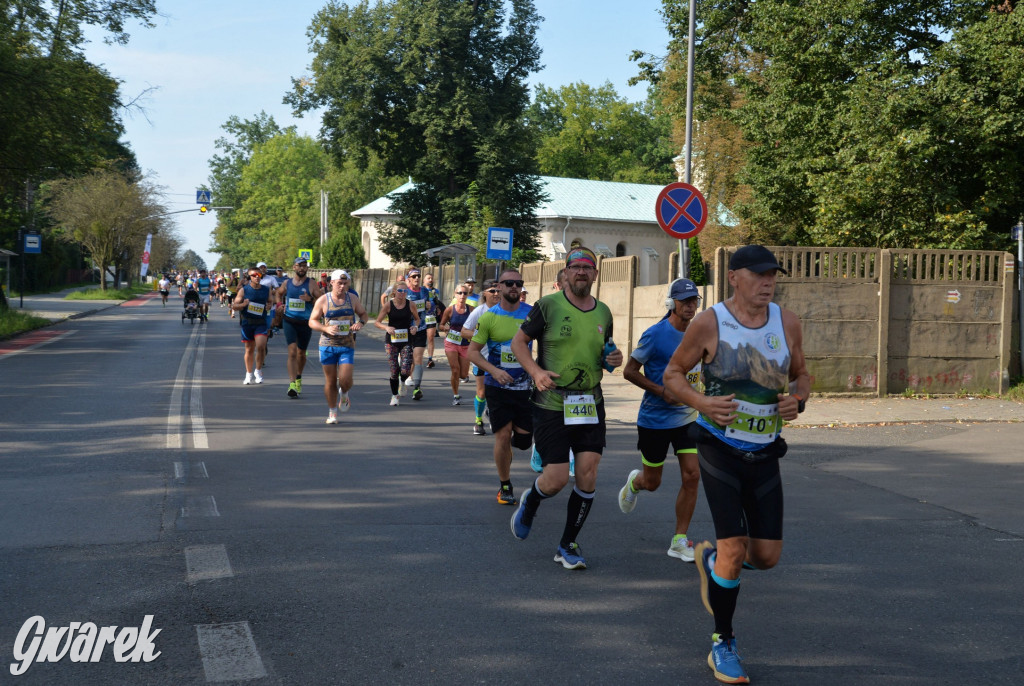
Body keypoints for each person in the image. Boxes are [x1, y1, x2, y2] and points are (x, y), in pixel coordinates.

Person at [662, 245, 809, 685]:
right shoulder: (710, 322)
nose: (769, 282)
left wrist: (797, 399)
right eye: (759, 275)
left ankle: (711, 565)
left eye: (773, 275)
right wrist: (702, 401)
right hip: (719, 446)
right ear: (734, 277)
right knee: (734, 548)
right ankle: (722, 643)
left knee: (766, 557)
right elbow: (672, 375)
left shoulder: (787, 322)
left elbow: (803, 374)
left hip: (765, 449)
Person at [509, 246, 623, 570]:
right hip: (551, 403)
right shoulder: (548, 306)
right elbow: (519, 343)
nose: (582, 272)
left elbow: (608, 354)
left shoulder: (604, 312)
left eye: (588, 268)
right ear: (567, 272)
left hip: (590, 402)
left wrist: (614, 360)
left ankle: (567, 544)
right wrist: (535, 371)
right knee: (556, 479)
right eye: (576, 267)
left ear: (595, 274)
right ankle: (532, 498)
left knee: (588, 474)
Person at [618, 278, 704, 563]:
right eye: (685, 301)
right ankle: (635, 483)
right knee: (653, 482)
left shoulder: (700, 335)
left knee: (692, 475)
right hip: (655, 419)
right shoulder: (655, 334)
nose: (691, 306)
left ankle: (680, 540)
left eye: (695, 301)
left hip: (687, 417)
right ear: (673, 303)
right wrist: (661, 391)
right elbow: (629, 371)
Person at [467, 270, 533, 506]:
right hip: (497, 385)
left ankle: (508, 448)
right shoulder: (489, 317)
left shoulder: (532, 314)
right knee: (502, 436)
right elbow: (472, 352)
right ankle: (505, 485)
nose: (514, 287)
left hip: (526, 386)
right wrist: (493, 371)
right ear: (500, 287)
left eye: (518, 283)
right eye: (509, 283)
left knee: (524, 441)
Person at [310, 269, 369, 423]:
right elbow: (312, 321)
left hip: (347, 345)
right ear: (332, 283)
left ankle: (344, 393)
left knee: (345, 379)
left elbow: (364, 314)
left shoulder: (353, 299)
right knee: (330, 381)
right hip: (327, 345)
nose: (342, 287)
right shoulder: (323, 300)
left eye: (345, 283)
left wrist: (360, 323)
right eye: (339, 283)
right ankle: (332, 413)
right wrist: (325, 328)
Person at [277, 257, 323, 398]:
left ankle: (298, 377)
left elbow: (322, 300)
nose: (302, 268)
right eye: (299, 265)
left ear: (307, 268)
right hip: (289, 321)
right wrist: (280, 305)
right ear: (294, 267)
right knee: (292, 352)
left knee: (301, 354)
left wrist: (310, 299)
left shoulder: (312, 284)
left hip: (305, 322)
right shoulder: (287, 283)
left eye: (304, 266)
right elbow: (278, 293)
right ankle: (291, 384)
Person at [460, 279, 500, 435]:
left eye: (498, 290)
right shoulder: (479, 311)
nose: (496, 294)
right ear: (484, 293)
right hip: (481, 357)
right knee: (482, 392)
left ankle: (494, 415)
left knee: (497, 391)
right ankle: (478, 420)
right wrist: (482, 337)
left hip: (499, 359)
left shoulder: (505, 310)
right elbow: (464, 331)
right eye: (492, 291)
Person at [374, 280, 420, 406]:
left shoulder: (411, 304)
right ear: (394, 292)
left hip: (406, 340)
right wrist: (386, 328)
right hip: (391, 341)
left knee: (405, 370)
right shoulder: (389, 305)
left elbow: (417, 319)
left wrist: (415, 327)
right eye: (400, 291)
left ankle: (402, 381)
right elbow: (377, 322)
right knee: (394, 370)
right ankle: (395, 396)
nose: (402, 293)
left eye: (405, 291)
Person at [232, 267, 273, 384]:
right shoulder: (244, 290)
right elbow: (235, 306)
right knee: (249, 349)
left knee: (261, 347)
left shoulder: (266, 289)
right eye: (254, 275)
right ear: (249, 277)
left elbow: (270, 300)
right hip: (248, 322)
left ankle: (258, 371)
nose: (257, 277)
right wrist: (243, 304)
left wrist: (269, 305)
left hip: (261, 322)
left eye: (258, 275)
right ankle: (248, 374)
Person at [438, 285, 473, 406]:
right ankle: (456, 395)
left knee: (463, 374)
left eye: (464, 293)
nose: (462, 295)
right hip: (451, 342)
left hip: (465, 344)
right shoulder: (450, 310)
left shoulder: (472, 310)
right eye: (460, 293)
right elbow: (441, 325)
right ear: (455, 294)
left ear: (467, 295)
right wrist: (445, 327)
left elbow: (478, 325)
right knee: (455, 369)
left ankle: (462, 379)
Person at [404, 268, 435, 401]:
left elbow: (432, 306)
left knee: (418, 358)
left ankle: (417, 388)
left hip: (421, 328)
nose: (416, 278)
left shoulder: (425, 291)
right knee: (406, 360)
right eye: (414, 276)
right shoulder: (404, 292)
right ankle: (401, 380)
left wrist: (429, 306)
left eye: (418, 276)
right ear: (409, 279)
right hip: (405, 330)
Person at [423, 273, 442, 368]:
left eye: (431, 278)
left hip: (431, 317)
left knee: (430, 338)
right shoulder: (421, 290)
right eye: (428, 278)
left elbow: (436, 301)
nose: (430, 280)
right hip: (421, 317)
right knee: (421, 338)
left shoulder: (435, 291)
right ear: (424, 280)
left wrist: (437, 307)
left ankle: (430, 359)